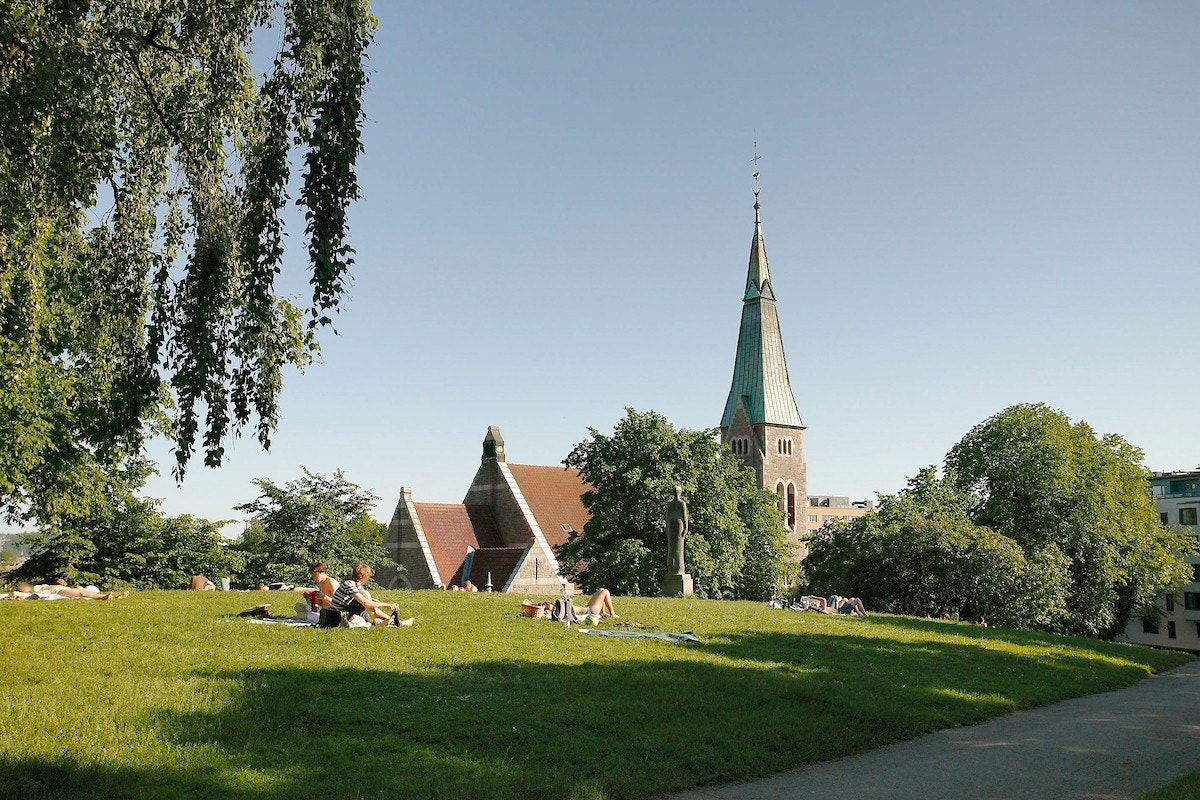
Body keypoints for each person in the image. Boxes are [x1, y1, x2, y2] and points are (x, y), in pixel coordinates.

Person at [330, 563, 413, 627]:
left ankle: (393, 621)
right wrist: (386, 605)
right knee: (366, 596)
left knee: (369, 600)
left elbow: (367, 600)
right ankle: (379, 622)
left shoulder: (356, 586)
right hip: (338, 616)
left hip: (343, 613)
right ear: (365, 576)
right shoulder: (349, 585)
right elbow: (366, 603)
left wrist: (379, 602)